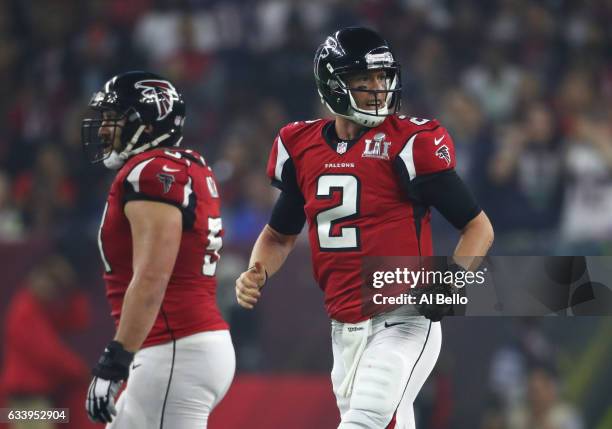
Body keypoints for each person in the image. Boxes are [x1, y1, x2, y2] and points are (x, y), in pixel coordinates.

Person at [235, 27, 494, 429]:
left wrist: (451, 281)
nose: (378, 88)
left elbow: (478, 227)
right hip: (345, 325)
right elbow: (278, 235)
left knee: (366, 421)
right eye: (364, 79)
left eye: (382, 77)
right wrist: (257, 270)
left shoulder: (410, 142)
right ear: (334, 86)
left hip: (404, 316)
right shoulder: (299, 145)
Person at [81, 71, 234, 428]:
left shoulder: (150, 173)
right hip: (182, 347)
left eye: (113, 119)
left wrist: (114, 361)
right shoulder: (188, 166)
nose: (103, 130)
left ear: (145, 125)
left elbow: (152, 276)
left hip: (175, 348)